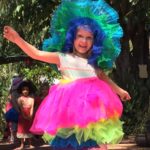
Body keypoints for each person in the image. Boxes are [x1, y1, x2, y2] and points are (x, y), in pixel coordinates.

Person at [3, 0, 131, 149]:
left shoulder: (93, 63)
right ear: (72, 37)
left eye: (89, 37)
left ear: (95, 41)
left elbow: (104, 78)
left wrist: (119, 91)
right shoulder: (62, 57)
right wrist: (17, 39)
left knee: (98, 144)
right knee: (71, 142)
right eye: (80, 36)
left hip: (92, 114)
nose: (84, 41)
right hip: (70, 113)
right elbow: (36, 53)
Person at [15, 80, 35, 150]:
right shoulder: (19, 99)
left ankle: (30, 144)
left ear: (29, 90)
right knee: (22, 129)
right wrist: (24, 116)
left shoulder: (32, 99)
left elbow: (32, 108)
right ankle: (22, 145)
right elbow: (20, 108)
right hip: (22, 116)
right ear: (21, 90)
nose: (25, 91)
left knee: (29, 129)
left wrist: (31, 116)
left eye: (27, 89)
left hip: (29, 115)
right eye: (23, 89)